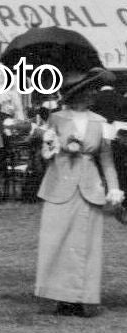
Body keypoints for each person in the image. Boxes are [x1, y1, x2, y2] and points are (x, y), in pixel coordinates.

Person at [35, 68, 123, 317]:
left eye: (92, 91)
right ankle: (61, 297)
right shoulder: (56, 119)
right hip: (58, 185)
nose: (91, 95)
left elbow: (106, 159)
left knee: (85, 243)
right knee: (57, 241)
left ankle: (82, 298)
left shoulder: (100, 122)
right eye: (88, 91)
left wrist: (114, 187)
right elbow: (46, 153)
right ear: (76, 94)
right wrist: (51, 147)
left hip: (89, 186)